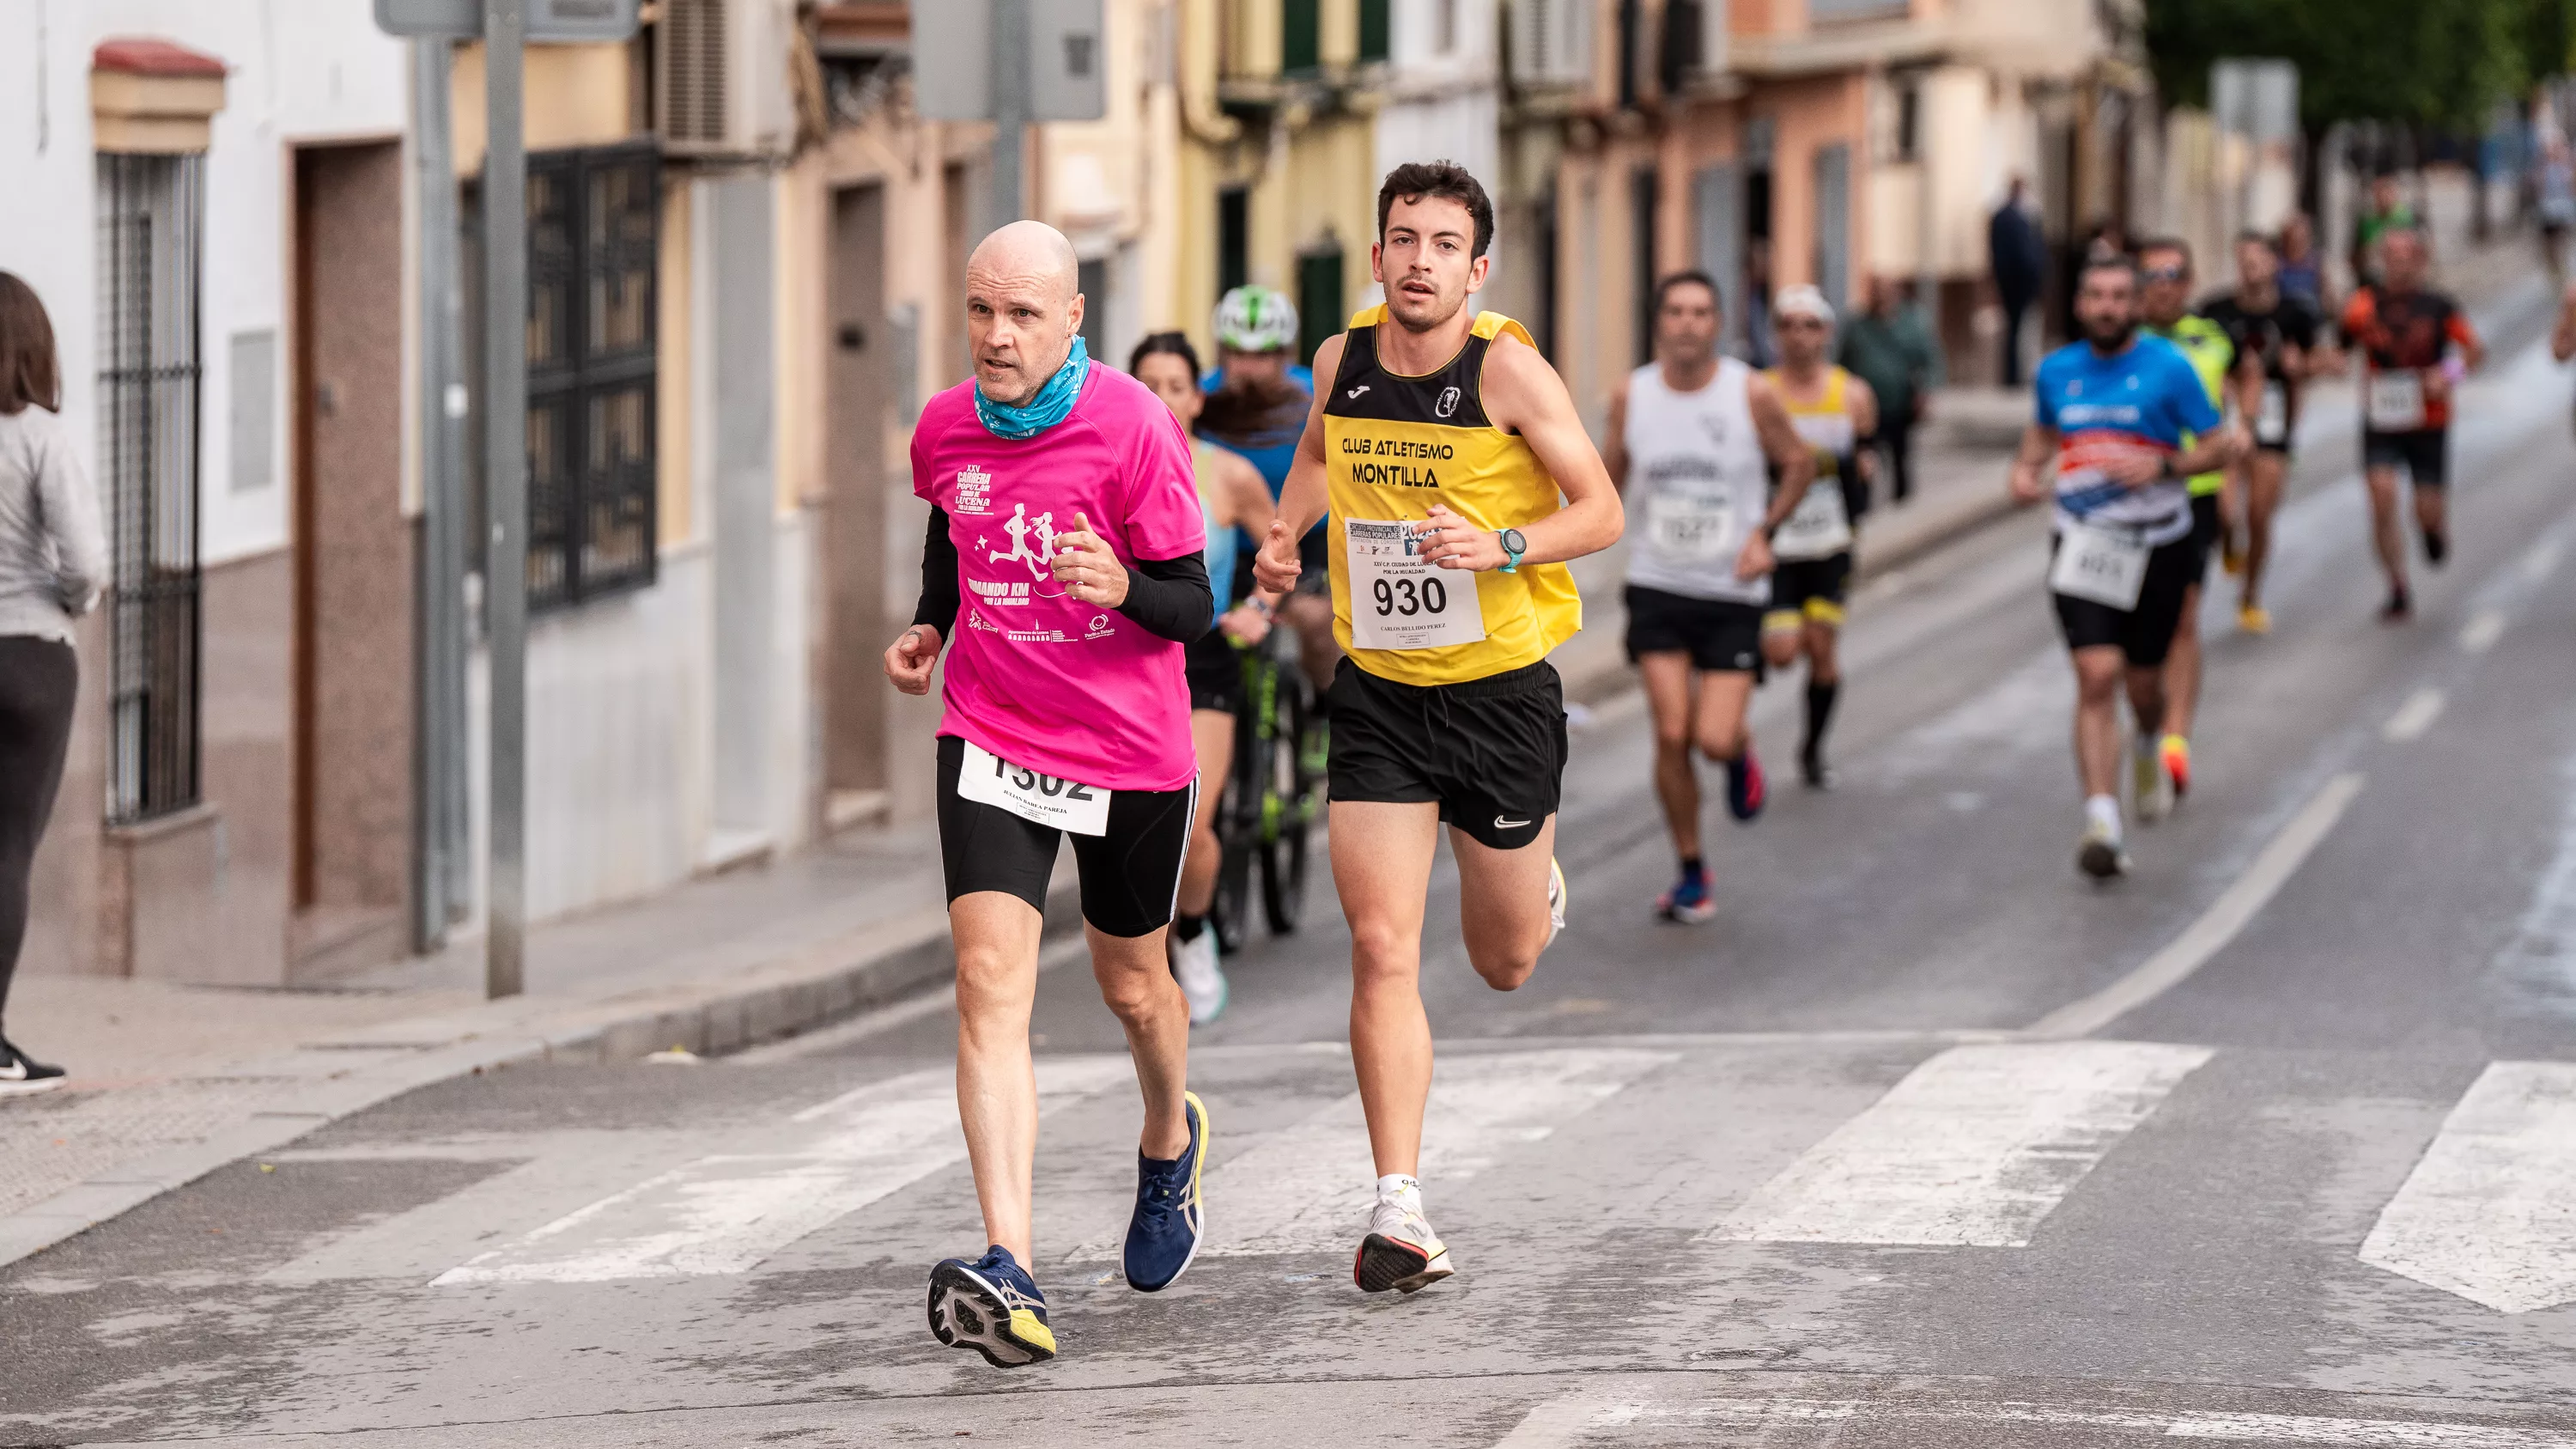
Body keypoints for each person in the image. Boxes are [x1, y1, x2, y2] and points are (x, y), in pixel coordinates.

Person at [1250, 161, 1622, 1293]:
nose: (1420, 261)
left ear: (1478, 265)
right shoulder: (1341, 360)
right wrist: (1282, 533)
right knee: (1379, 944)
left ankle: (1533, 878)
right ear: (1376, 257)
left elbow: (1600, 508)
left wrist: (1503, 545)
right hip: (1379, 692)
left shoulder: (1507, 368)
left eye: (1443, 243)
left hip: (1500, 691)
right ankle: (1398, 1205)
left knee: (1503, 960)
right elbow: (1319, 453)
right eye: (1402, 239)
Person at [887, 221, 1215, 1368]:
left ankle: (1169, 1135)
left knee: (1133, 985)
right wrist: (933, 621)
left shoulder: (1132, 424)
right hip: (991, 730)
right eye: (980, 309)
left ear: (1074, 317)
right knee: (987, 978)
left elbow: (1192, 606)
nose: (995, 335)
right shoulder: (943, 426)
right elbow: (953, 528)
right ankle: (1010, 1263)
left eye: (1022, 313)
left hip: (1127, 747)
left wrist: (1125, 584)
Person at [2007, 255, 2240, 880]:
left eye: (2119, 297)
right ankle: (2102, 821)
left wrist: (2165, 467)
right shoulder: (2057, 372)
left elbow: (2220, 441)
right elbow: (2041, 433)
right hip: (2084, 540)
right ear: (2080, 305)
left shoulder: (2171, 369)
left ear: (2136, 306)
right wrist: (2025, 470)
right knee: (2095, 673)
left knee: (2143, 683)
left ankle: (2147, 739)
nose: (2108, 307)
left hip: (2159, 541)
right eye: (2096, 296)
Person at [1604, 271, 1817, 923]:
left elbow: (1801, 462)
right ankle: (1692, 869)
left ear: (1717, 323)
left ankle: (1738, 752)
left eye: (1701, 311)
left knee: (1713, 739)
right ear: (1659, 321)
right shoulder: (1631, 395)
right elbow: (1604, 479)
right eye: (1676, 311)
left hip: (1731, 588)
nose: (1688, 323)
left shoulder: (1748, 393)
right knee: (1672, 733)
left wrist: (1765, 531)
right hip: (1657, 582)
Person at [1132, 332, 1281, 1026]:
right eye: (1147, 383)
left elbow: (1278, 549)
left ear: (1197, 397)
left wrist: (1259, 607)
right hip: (1125, 661)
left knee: (1191, 821)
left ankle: (1192, 931)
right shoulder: (1104, 467)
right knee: (1133, 828)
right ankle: (1142, 951)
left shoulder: (1226, 474)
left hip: (1204, 659)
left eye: (1175, 384)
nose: (1161, 397)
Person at [0, 273, 102, 1096]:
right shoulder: (37, 439)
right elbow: (87, 561)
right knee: (7, 849)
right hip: (30, 658)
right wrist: (72, 599)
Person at [1761, 284, 1876, 791]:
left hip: (1831, 541)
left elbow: (1870, 459)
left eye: (1810, 326)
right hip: (1778, 541)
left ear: (1827, 333)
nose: (1799, 337)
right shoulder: (1760, 391)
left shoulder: (1852, 394)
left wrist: (1857, 510)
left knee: (1822, 647)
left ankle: (1812, 748)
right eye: (1788, 325)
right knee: (1784, 651)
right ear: (1776, 333)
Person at [1199, 285, 1338, 698]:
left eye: (1263, 355)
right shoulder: (1201, 399)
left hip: (1307, 541)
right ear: (1222, 352)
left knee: (1318, 622)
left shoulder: (1315, 397)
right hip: (1227, 546)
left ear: (1284, 355)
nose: (1250, 367)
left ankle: (1326, 712)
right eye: (1239, 354)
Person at [2135, 238, 2234, 804]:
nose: (2163, 284)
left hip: (2192, 493)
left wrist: (2239, 431)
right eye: (2152, 275)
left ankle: (2175, 739)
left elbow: (2243, 385)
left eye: (2174, 273)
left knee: (2184, 620)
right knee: (2132, 640)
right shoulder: (2119, 344)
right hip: (2128, 499)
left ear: (2189, 281)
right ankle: (2147, 724)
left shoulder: (2213, 338)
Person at [2339, 226, 2481, 621]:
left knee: (2426, 509)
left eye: (2407, 258)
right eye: (2392, 257)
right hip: (2381, 417)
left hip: (2428, 419)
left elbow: (2474, 351)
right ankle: (2396, 585)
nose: (2399, 266)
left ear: (2420, 261)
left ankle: (2433, 530)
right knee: (2381, 495)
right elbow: (2339, 348)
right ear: (2382, 261)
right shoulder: (2363, 305)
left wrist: (2446, 376)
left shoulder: (2438, 306)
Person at [2200, 230, 2323, 635]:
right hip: (2224, 421)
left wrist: (2299, 368)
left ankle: (2250, 596)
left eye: (2257, 260)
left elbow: (2316, 363)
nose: (2249, 268)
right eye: (2242, 260)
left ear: (2274, 264)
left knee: (2259, 514)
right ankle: (2229, 542)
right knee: (2222, 509)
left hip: (2272, 424)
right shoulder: (2214, 311)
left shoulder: (2295, 313)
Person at [1838, 275, 1940, 505]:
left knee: (1900, 456)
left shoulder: (1911, 324)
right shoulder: (1857, 326)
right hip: (1866, 407)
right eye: (1876, 291)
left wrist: (1926, 393)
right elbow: (1842, 365)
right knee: (1865, 456)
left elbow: (1929, 360)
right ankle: (1863, 502)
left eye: (1885, 290)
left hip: (1898, 404)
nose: (1880, 296)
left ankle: (1903, 503)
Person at [1990, 177, 2046, 387]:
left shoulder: (2023, 216)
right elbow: (2016, 255)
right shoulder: (2009, 217)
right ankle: (2012, 376)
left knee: (2020, 330)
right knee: (2015, 330)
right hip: (2015, 282)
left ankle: (2016, 374)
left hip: (2017, 282)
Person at [2349, 173, 2417, 287]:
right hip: (2371, 275)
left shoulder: (2406, 218)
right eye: (2379, 193)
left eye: (2387, 192)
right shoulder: (2367, 221)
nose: (2383, 197)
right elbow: (2357, 252)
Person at [2539, 139, 2576, 286]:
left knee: (2561, 244)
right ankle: (2556, 273)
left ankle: (2564, 275)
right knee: (2549, 246)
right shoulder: (2544, 169)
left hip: (2563, 212)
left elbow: (2572, 191)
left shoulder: (2567, 169)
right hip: (2548, 212)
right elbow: (2540, 191)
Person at [2275, 212, 2325, 310]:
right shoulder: (2277, 263)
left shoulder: (2317, 263)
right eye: (2292, 240)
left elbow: (2327, 298)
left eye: (2301, 239)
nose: (2297, 243)